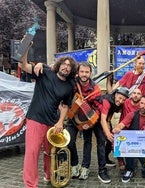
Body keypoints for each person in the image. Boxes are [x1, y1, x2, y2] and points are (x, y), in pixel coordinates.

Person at [21, 44, 77, 187]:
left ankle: (49, 175)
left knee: (50, 152)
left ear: (71, 70)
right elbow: (24, 66)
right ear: (58, 65)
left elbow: (66, 105)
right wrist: (25, 48)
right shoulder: (44, 71)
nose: (66, 67)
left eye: (69, 66)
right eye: (64, 64)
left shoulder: (70, 85)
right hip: (35, 118)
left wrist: (60, 122)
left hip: (52, 122)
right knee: (32, 154)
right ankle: (30, 184)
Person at [63, 63, 110, 182]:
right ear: (78, 72)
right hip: (72, 117)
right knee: (69, 140)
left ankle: (85, 167)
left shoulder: (95, 89)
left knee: (87, 141)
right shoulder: (72, 83)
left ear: (90, 73)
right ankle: (75, 164)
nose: (84, 74)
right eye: (82, 72)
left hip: (87, 119)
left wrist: (91, 120)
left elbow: (99, 107)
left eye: (87, 72)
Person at [112, 95, 145, 182]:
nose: (143, 106)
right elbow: (122, 124)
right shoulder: (132, 114)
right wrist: (117, 128)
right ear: (139, 104)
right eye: (141, 103)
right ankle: (129, 169)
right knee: (127, 145)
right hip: (134, 146)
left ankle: (144, 168)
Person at [100, 87, 129, 167]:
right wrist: (107, 133)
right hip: (97, 119)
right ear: (116, 94)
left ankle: (105, 159)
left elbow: (111, 112)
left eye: (123, 100)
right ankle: (102, 164)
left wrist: (109, 122)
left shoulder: (117, 103)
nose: (120, 101)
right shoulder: (107, 101)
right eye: (120, 98)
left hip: (105, 119)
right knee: (102, 140)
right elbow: (102, 119)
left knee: (110, 140)